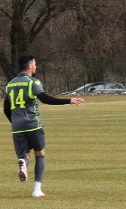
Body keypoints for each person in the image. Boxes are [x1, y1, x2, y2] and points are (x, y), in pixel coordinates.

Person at [4, 55, 84, 197]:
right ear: (29, 66)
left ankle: (23, 162)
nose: (36, 66)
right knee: (40, 155)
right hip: (33, 124)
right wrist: (68, 100)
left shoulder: (10, 84)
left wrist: (16, 122)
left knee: (25, 157)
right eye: (35, 64)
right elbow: (45, 98)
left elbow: (6, 109)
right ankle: (36, 190)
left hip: (17, 126)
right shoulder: (33, 82)